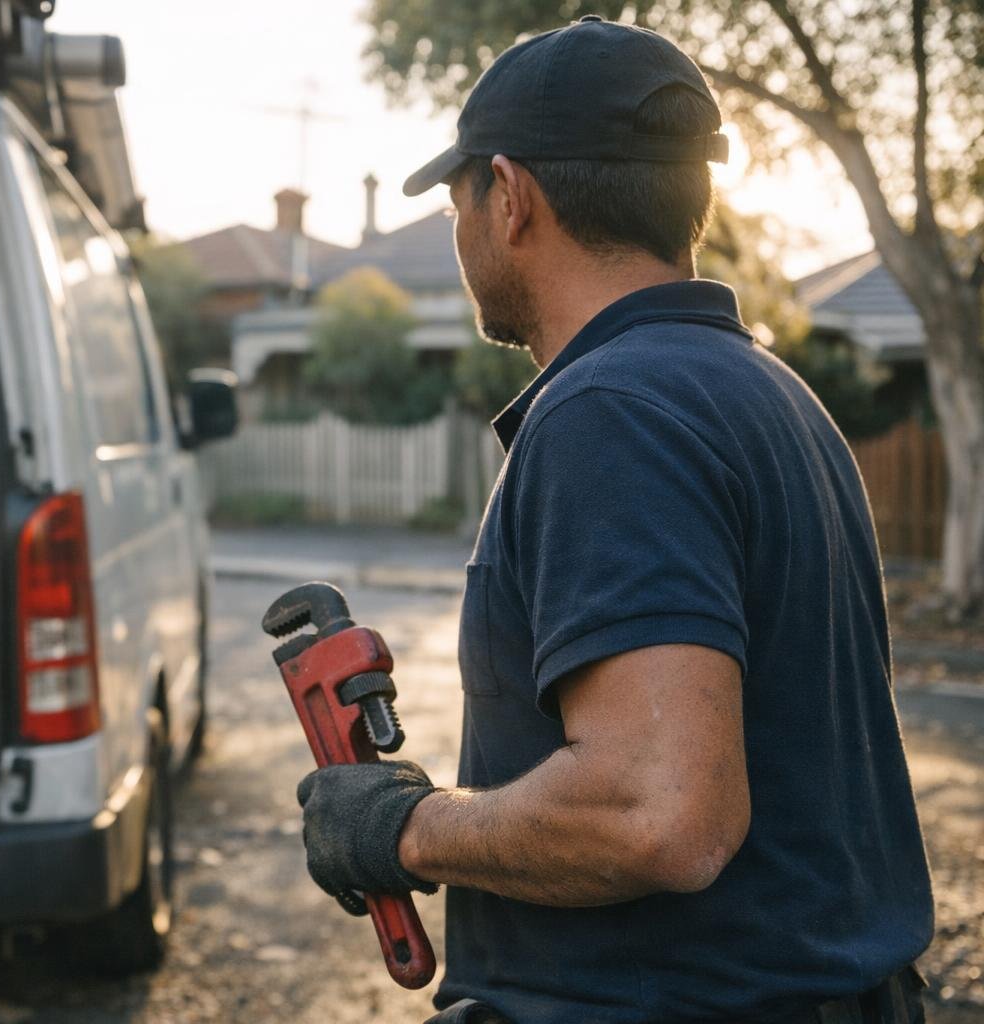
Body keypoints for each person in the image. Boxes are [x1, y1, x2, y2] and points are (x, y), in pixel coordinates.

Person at [294, 17, 932, 1024]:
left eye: (462, 200)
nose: (462, 235)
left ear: (509, 198)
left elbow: (660, 812)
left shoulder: (611, 413)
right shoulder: (769, 393)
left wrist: (405, 828)